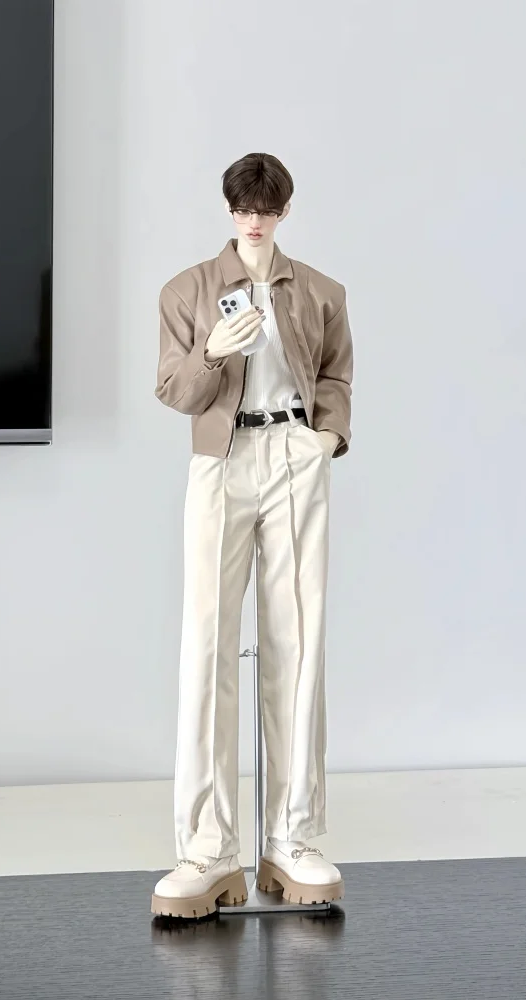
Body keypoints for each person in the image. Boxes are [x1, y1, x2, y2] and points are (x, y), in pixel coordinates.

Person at [150, 152, 354, 919]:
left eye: (265, 209)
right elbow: (173, 389)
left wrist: (325, 438)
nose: (254, 220)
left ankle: (292, 837)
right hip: (222, 458)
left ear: (284, 210)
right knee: (207, 643)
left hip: (295, 455)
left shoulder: (322, 291)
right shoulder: (188, 289)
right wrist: (214, 351)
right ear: (229, 210)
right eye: (243, 209)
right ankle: (207, 848)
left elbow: (336, 375)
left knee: (298, 640)